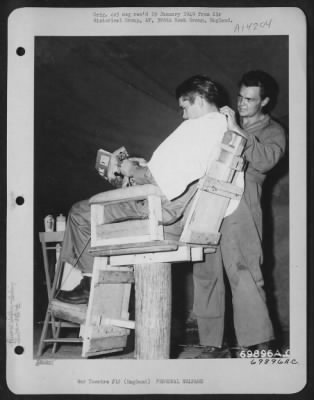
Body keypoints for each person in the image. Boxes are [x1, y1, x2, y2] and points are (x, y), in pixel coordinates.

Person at [56, 75, 240, 304]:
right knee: (102, 205)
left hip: (161, 210)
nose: (183, 115)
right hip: (182, 212)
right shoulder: (222, 127)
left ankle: (90, 283)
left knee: (80, 213)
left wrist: (130, 169)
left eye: (185, 107)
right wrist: (146, 166)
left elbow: (163, 181)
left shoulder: (198, 127)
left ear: (200, 99)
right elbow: (177, 171)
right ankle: (94, 279)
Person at [192, 70, 286, 358]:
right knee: (206, 271)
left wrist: (236, 129)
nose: (242, 103)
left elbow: (265, 161)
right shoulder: (223, 122)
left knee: (245, 272)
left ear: (265, 102)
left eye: (250, 99)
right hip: (209, 199)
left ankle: (258, 345)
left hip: (243, 203)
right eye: (240, 96)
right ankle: (213, 344)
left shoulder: (273, 130)